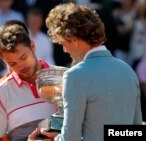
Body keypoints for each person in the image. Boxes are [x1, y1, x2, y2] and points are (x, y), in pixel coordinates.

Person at [28, 2, 143, 141]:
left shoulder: (75, 76)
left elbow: (71, 139)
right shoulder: (128, 71)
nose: (64, 50)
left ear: (74, 39)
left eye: (64, 43)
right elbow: (135, 132)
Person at [0, 20, 61, 141]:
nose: (21, 66)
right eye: (12, 63)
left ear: (32, 46)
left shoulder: (66, 77)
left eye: (23, 57)